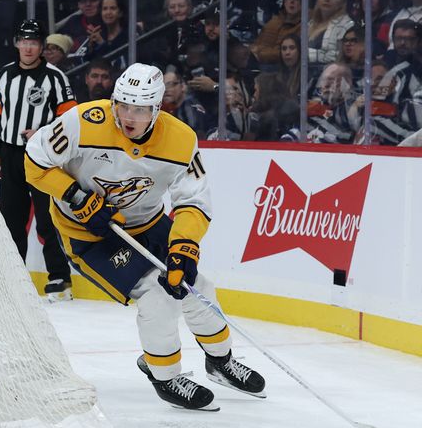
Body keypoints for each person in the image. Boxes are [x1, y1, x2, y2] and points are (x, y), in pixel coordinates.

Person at [24, 63, 265, 410]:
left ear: (156, 109)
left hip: (148, 224)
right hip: (89, 237)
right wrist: (75, 197)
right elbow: (35, 159)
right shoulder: (83, 121)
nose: (128, 117)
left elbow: (193, 201)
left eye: (139, 109)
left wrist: (184, 248)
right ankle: (164, 376)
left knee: (197, 285)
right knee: (157, 294)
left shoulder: (181, 140)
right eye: (123, 106)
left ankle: (220, 361)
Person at [0, 20, 76, 301]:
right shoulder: (4, 75)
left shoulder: (55, 78)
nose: (28, 46)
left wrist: (44, 131)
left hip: (43, 156)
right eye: (23, 41)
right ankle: (14, 278)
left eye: (34, 42)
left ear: (42, 46)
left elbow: (70, 118)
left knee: (47, 218)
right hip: (12, 155)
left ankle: (60, 277)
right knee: (11, 220)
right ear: (16, 43)